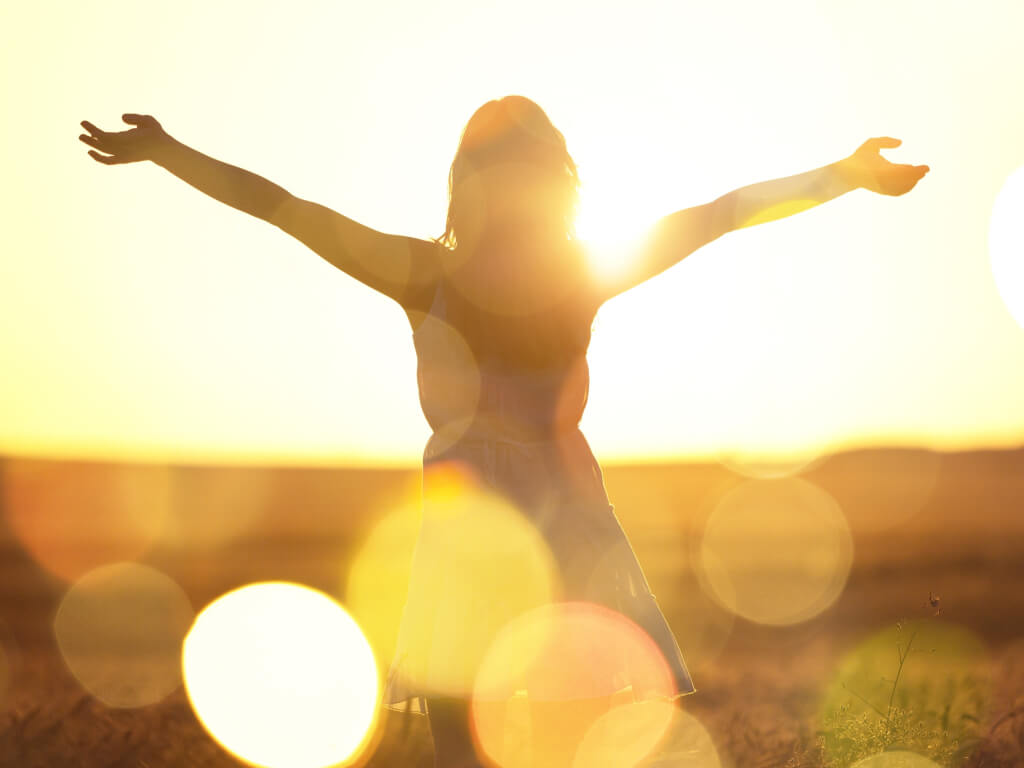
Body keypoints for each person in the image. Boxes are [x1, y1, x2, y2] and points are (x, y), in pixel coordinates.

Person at [78, 97, 929, 767]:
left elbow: (721, 213)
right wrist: (169, 153)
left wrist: (845, 175)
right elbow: (286, 209)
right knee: (489, 729)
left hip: (536, 518)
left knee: (564, 728)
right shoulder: (462, 272)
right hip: (493, 525)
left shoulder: (543, 273)